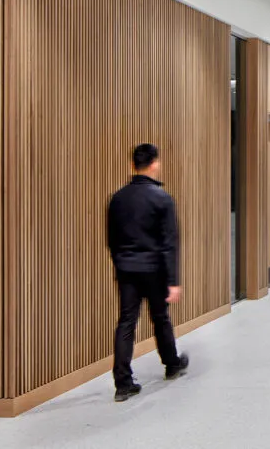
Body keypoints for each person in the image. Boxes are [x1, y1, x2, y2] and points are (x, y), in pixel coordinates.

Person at [107, 143, 189, 402]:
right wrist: (173, 281)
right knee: (160, 317)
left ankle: (122, 383)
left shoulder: (118, 198)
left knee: (126, 322)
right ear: (154, 163)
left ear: (133, 165)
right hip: (154, 269)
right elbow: (169, 243)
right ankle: (172, 364)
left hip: (127, 269)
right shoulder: (162, 198)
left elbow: (111, 239)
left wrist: (121, 262)